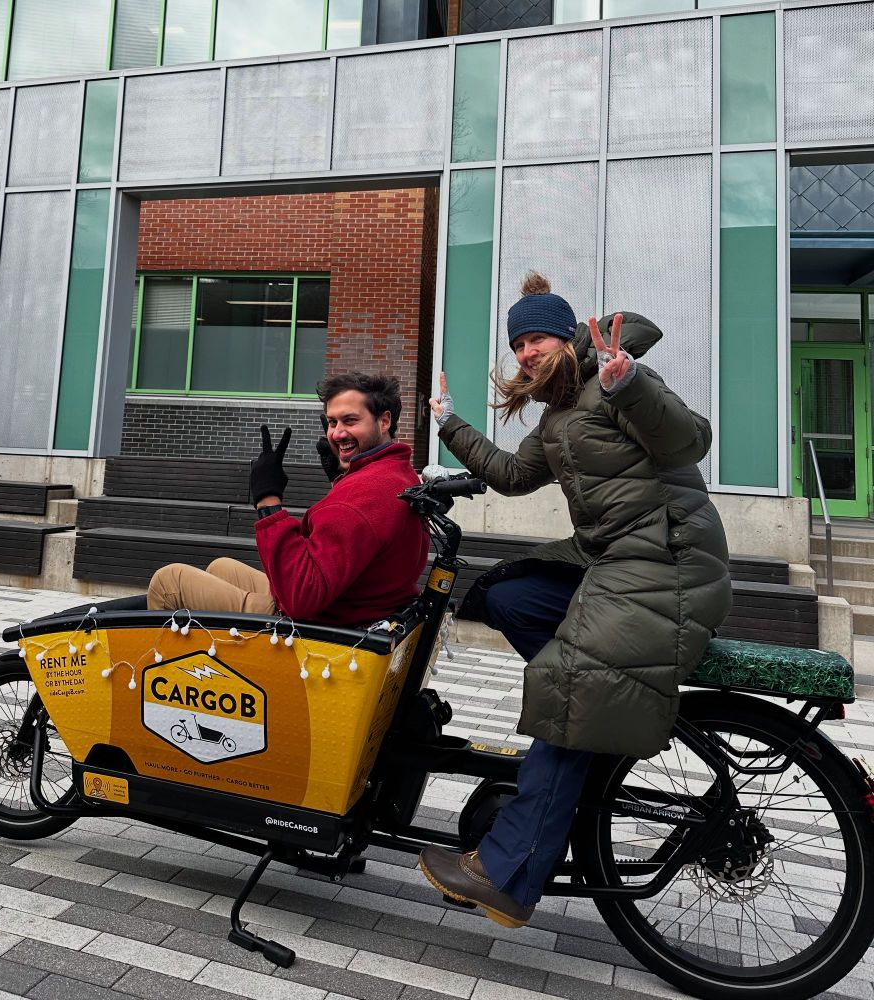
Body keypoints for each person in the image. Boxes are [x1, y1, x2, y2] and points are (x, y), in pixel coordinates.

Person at [418, 272, 731, 928]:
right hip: (614, 562)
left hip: (669, 562)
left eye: (537, 338)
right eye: (518, 343)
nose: (526, 352)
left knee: (574, 686)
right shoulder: (558, 416)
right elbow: (511, 475)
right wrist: (448, 424)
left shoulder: (615, 382)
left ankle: (507, 873)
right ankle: (601, 712)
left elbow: (691, 439)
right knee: (508, 596)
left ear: (567, 338)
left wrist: (631, 383)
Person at [147, 372, 430, 628]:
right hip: (353, 606)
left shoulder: (360, 497)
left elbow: (301, 598)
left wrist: (268, 502)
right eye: (332, 422)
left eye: (350, 421)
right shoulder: (397, 474)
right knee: (221, 567)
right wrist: (340, 479)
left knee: (169, 581)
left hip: (318, 628)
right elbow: (355, 537)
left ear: (384, 421)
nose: (337, 433)